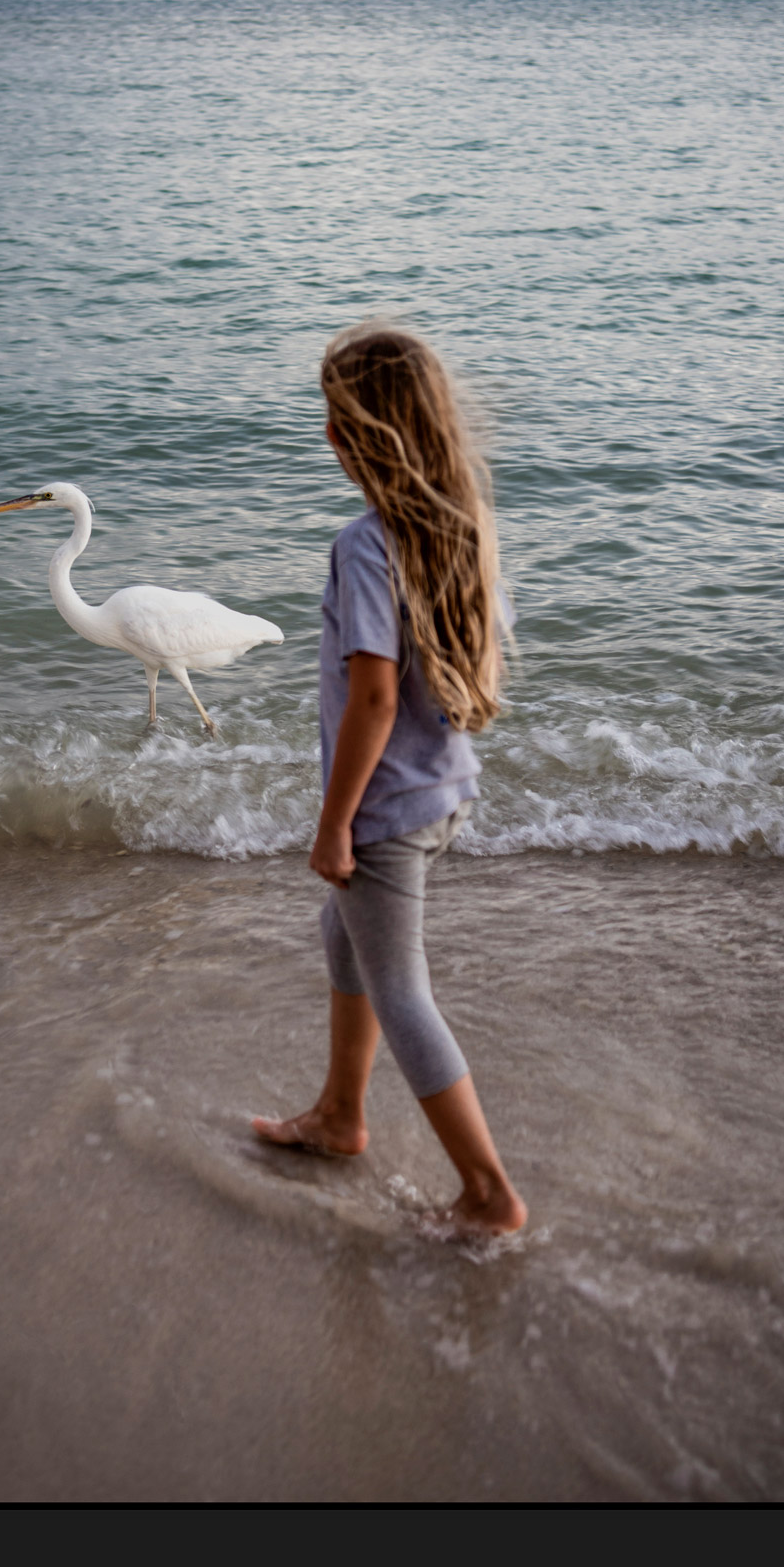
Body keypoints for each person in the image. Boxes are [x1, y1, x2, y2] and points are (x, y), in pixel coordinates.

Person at [253, 321, 528, 1236]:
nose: (325, 434)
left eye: (333, 418)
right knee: (347, 940)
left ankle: (487, 1193)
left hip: (383, 809)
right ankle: (340, 1114)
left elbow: (373, 697)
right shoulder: (459, 525)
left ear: (359, 436)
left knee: (401, 990)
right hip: (440, 788)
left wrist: (336, 824)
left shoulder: (365, 545)